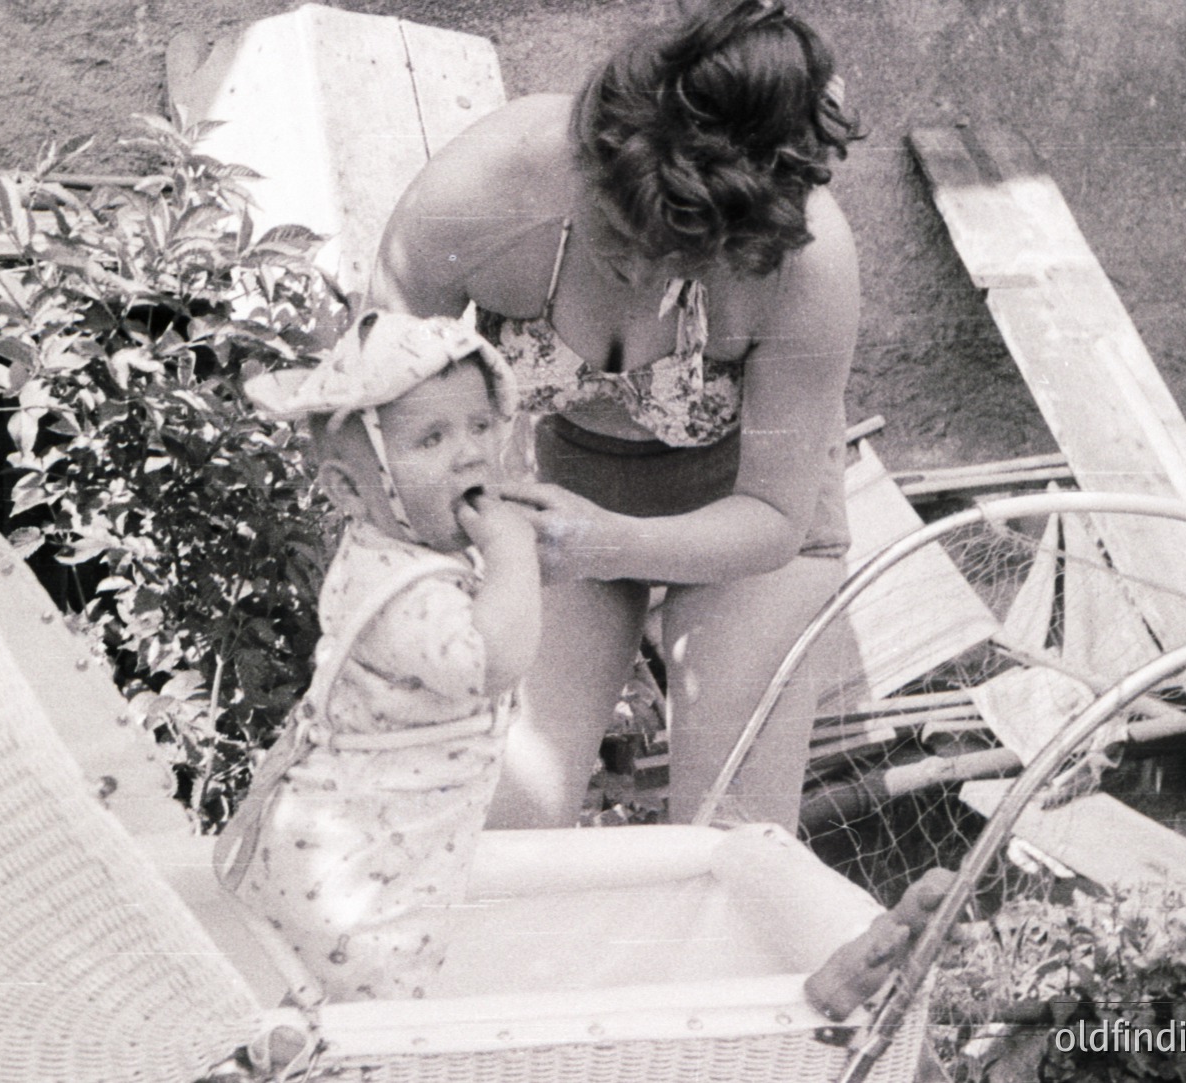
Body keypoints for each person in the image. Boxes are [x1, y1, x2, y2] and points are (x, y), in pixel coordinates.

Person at [370, 0, 862, 831]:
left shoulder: (808, 267)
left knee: (729, 831)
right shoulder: (484, 187)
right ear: (595, 160)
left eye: (676, 256)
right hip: (562, 496)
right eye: (615, 229)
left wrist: (612, 540)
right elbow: (374, 379)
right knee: (503, 815)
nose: (634, 269)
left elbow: (774, 516)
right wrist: (439, 536)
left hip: (748, 527)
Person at [214, 310, 541, 1001]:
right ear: (350, 491)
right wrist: (517, 558)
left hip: (364, 848)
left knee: (339, 1006)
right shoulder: (404, 590)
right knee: (382, 1015)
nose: (470, 454)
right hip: (361, 874)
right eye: (431, 437)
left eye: (480, 425)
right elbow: (491, 661)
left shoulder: (398, 553)